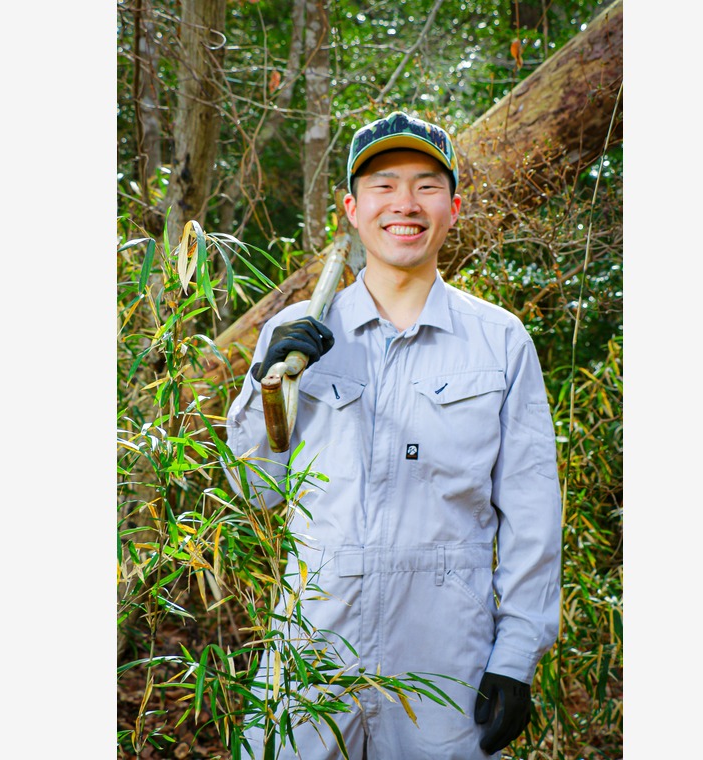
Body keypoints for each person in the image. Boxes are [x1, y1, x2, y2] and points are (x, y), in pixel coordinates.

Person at [225, 111, 562, 759]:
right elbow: (253, 490)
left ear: (454, 207)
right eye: (382, 185)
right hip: (313, 641)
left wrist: (516, 657)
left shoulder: (499, 342)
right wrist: (270, 386)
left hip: (443, 652)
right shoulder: (297, 333)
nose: (404, 203)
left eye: (426, 186)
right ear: (352, 209)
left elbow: (531, 513)